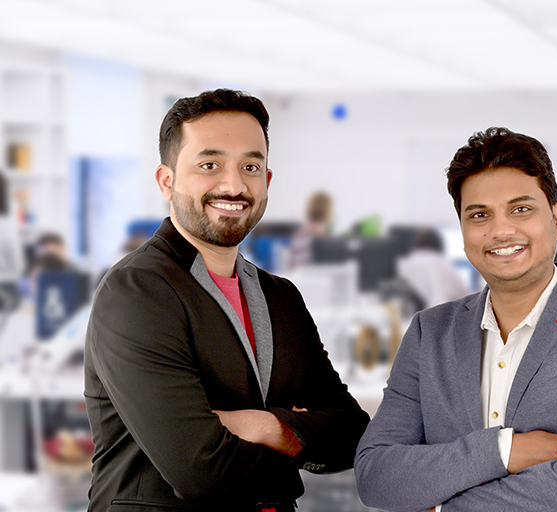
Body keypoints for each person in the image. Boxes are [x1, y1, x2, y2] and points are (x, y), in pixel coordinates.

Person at [84, 89, 370, 511]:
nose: (234, 186)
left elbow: (351, 435)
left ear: (267, 181)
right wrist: (297, 440)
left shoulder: (281, 297)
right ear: (166, 181)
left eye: (250, 167)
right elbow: (200, 469)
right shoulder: (136, 291)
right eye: (209, 165)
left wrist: (265, 426)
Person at [354, 127, 557, 512]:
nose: (500, 230)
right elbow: (376, 476)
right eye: (480, 215)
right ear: (463, 231)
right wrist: (504, 450)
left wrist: (441, 507)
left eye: (521, 209)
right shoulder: (430, 333)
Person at [397, 228, 469, 308]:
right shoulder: (443, 264)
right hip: (439, 311)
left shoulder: (404, 264)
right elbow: (463, 295)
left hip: (407, 312)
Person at [287, 190, 333, 269]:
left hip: (295, 273)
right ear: (327, 211)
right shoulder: (319, 233)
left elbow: (290, 262)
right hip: (310, 274)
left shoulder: (299, 231)